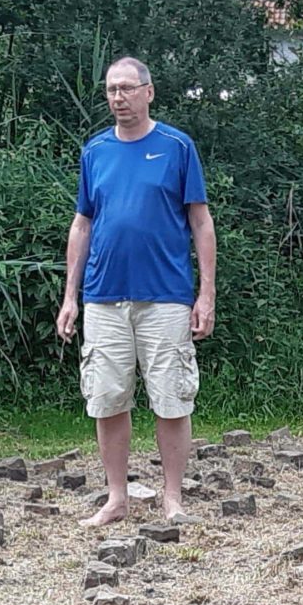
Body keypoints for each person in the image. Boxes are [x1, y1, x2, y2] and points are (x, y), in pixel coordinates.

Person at [54, 56, 216, 525]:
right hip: (104, 296)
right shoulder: (96, 151)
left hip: (165, 295)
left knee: (171, 397)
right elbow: (82, 225)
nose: (118, 98)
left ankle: (172, 498)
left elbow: (201, 223)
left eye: (126, 88)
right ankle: (117, 497)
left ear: (149, 91)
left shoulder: (177, 147)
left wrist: (205, 295)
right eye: (111, 90)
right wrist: (70, 295)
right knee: (106, 398)